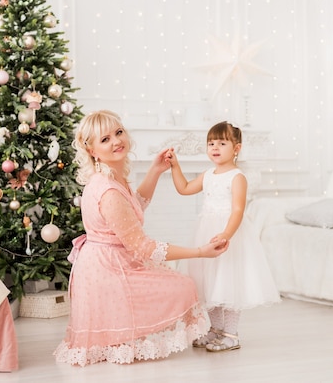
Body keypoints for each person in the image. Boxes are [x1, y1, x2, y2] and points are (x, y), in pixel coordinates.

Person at [53, 110, 229, 367]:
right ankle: (125, 335)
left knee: (177, 281)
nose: (116, 141)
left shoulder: (111, 178)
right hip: (107, 271)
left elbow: (135, 205)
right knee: (184, 286)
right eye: (105, 139)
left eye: (118, 132)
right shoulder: (108, 190)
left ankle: (127, 332)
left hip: (107, 262)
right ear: (91, 150)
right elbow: (146, 247)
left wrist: (156, 170)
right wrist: (200, 251)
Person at [166, 121, 281, 352]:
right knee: (209, 283)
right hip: (207, 232)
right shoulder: (208, 174)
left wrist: (227, 234)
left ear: (236, 148)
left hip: (229, 234)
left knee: (228, 283)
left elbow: (238, 210)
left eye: (222, 142)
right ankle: (215, 330)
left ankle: (231, 334)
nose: (215, 147)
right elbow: (185, 188)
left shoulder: (237, 177)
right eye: (211, 143)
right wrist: (174, 166)